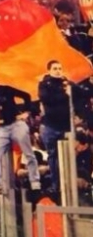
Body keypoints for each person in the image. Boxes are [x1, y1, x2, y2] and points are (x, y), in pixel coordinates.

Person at [0, 69, 41, 195]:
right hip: (2, 128)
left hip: (16, 124)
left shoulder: (5, 89)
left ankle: (35, 181)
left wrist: (26, 112)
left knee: (28, 153)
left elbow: (26, 96)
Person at [38, 60, 75, 194]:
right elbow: (46, 98)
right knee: (53, 156)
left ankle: (69, 184)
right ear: (49, 70)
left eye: (60, 68)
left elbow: (82, 94)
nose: (58, 71)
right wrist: (64, 94)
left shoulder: (66, 83)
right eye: (55, 68)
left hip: (66, 126)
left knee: (69, 154)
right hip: (50, 126)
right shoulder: (44, 84)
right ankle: (55, 185)